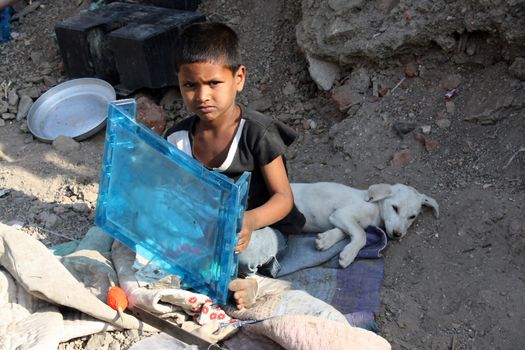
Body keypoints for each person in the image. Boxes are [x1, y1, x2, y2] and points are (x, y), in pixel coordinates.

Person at [165, 21, 305, 309]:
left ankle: (252, 281)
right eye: (190, 85)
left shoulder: (257, 133)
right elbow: (173, 193)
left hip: (259, 231)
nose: (202, 96)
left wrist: (248, 223)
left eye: (214, 83)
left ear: (238, 78)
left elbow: (283, 199)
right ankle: (224, 277)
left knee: (242, 254)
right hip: (207, 231)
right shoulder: (178, 138)